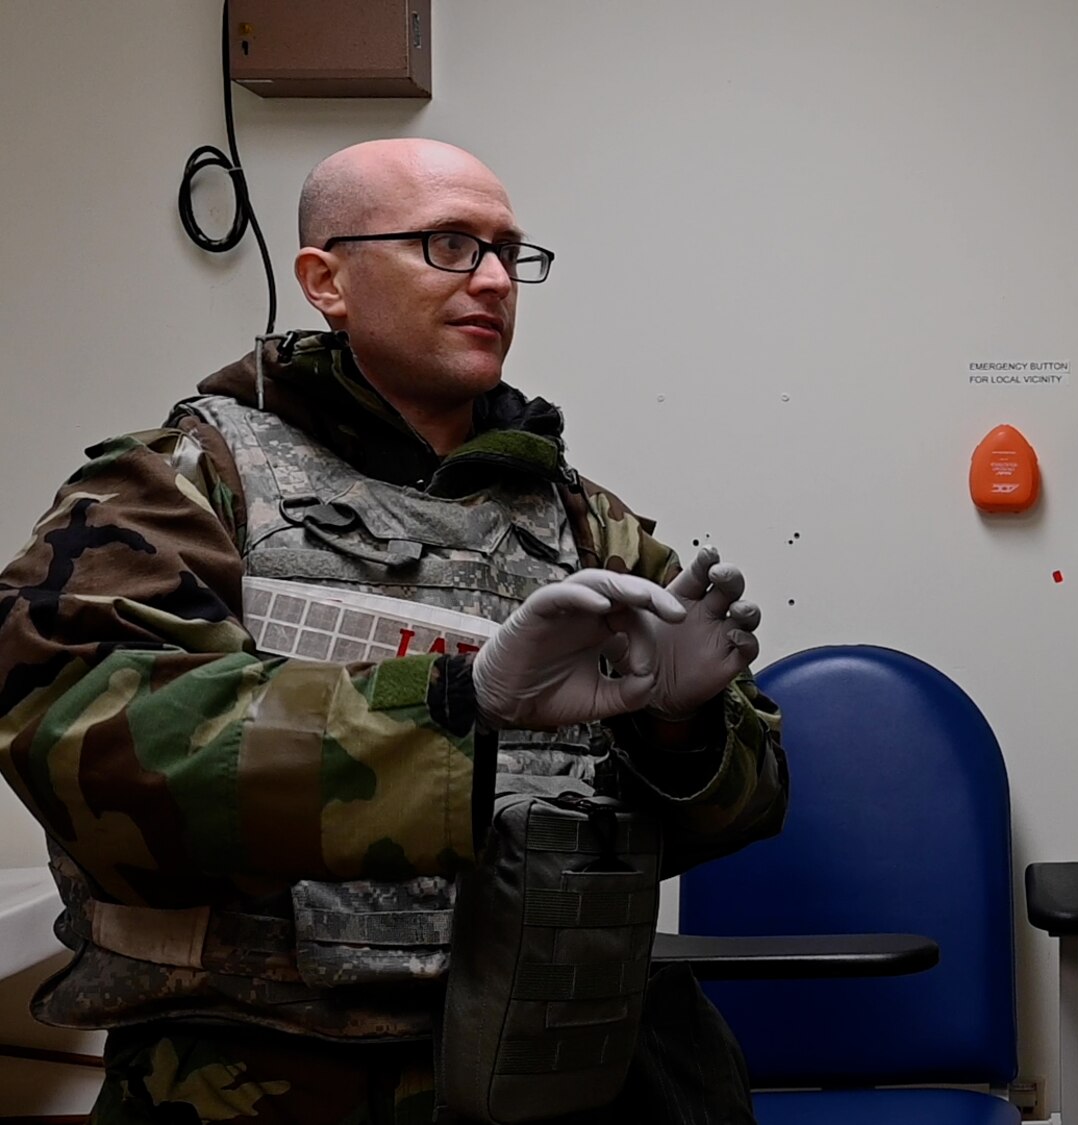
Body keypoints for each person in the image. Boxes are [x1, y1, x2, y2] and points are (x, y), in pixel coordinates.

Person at [0, 138, 787, 1123]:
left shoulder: (586, 524)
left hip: (551, 1065)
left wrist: (684, 733)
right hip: (258, 1076)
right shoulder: (183, 483)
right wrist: (461, 705)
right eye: (450, 245)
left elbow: (747, 802)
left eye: (509, 252)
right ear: (326, 280)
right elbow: (79, 735)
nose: (495, 279)